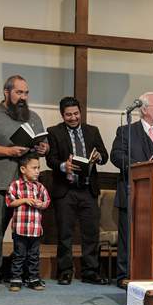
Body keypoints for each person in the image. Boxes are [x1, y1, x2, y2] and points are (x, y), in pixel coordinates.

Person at [0, 75, 49, 290]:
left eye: (26, 93)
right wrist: (8, 150)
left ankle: (24, 274)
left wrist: (44, 148)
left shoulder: (33, 117)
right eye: (19, 92)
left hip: (28, 186)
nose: (23, 97)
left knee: (26, 232)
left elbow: (42, 145)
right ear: (6, 92)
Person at [110, 91, 153, 288]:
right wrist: (140, 167)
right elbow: (117, 156)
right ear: (144, 109)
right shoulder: (126, 131)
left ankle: (150, 273)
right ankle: (124, 275)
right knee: (127, 239)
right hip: (132, 193)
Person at [46, 96, 110, 286]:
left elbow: (104, 155)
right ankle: (65, 271)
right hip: (66, 189)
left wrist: (98, 157)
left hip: (88, 189)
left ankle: (90, 271)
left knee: (90, 233)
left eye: (75, 114)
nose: (73, 118)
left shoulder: (92, 131)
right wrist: (64, 165)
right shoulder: (53, 132)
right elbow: (51, 159)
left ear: (80, 112)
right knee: (65, 233)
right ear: (62, 115)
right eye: (68, 115)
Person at [5, 153, 50, 292]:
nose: (37, 171)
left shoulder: (40, 187)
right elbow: (10, 202)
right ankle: (16, 279)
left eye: (38, 168)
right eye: (34, 168)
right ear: (23, 169)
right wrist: (24, 200)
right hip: (20, 229)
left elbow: (47, 202)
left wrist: (39, 204)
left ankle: (34, 278)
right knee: (19, 255)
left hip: (36, 230)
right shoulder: (16, 185)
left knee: (34, 255)